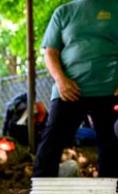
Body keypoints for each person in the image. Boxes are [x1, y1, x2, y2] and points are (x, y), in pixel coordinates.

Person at [33, 0, 118, 178]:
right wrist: (60, 79)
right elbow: (50, 52)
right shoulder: (63, 12)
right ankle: (40, 192)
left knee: (110, 143)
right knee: (51, 141)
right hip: (68, 89)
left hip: (108, 90)